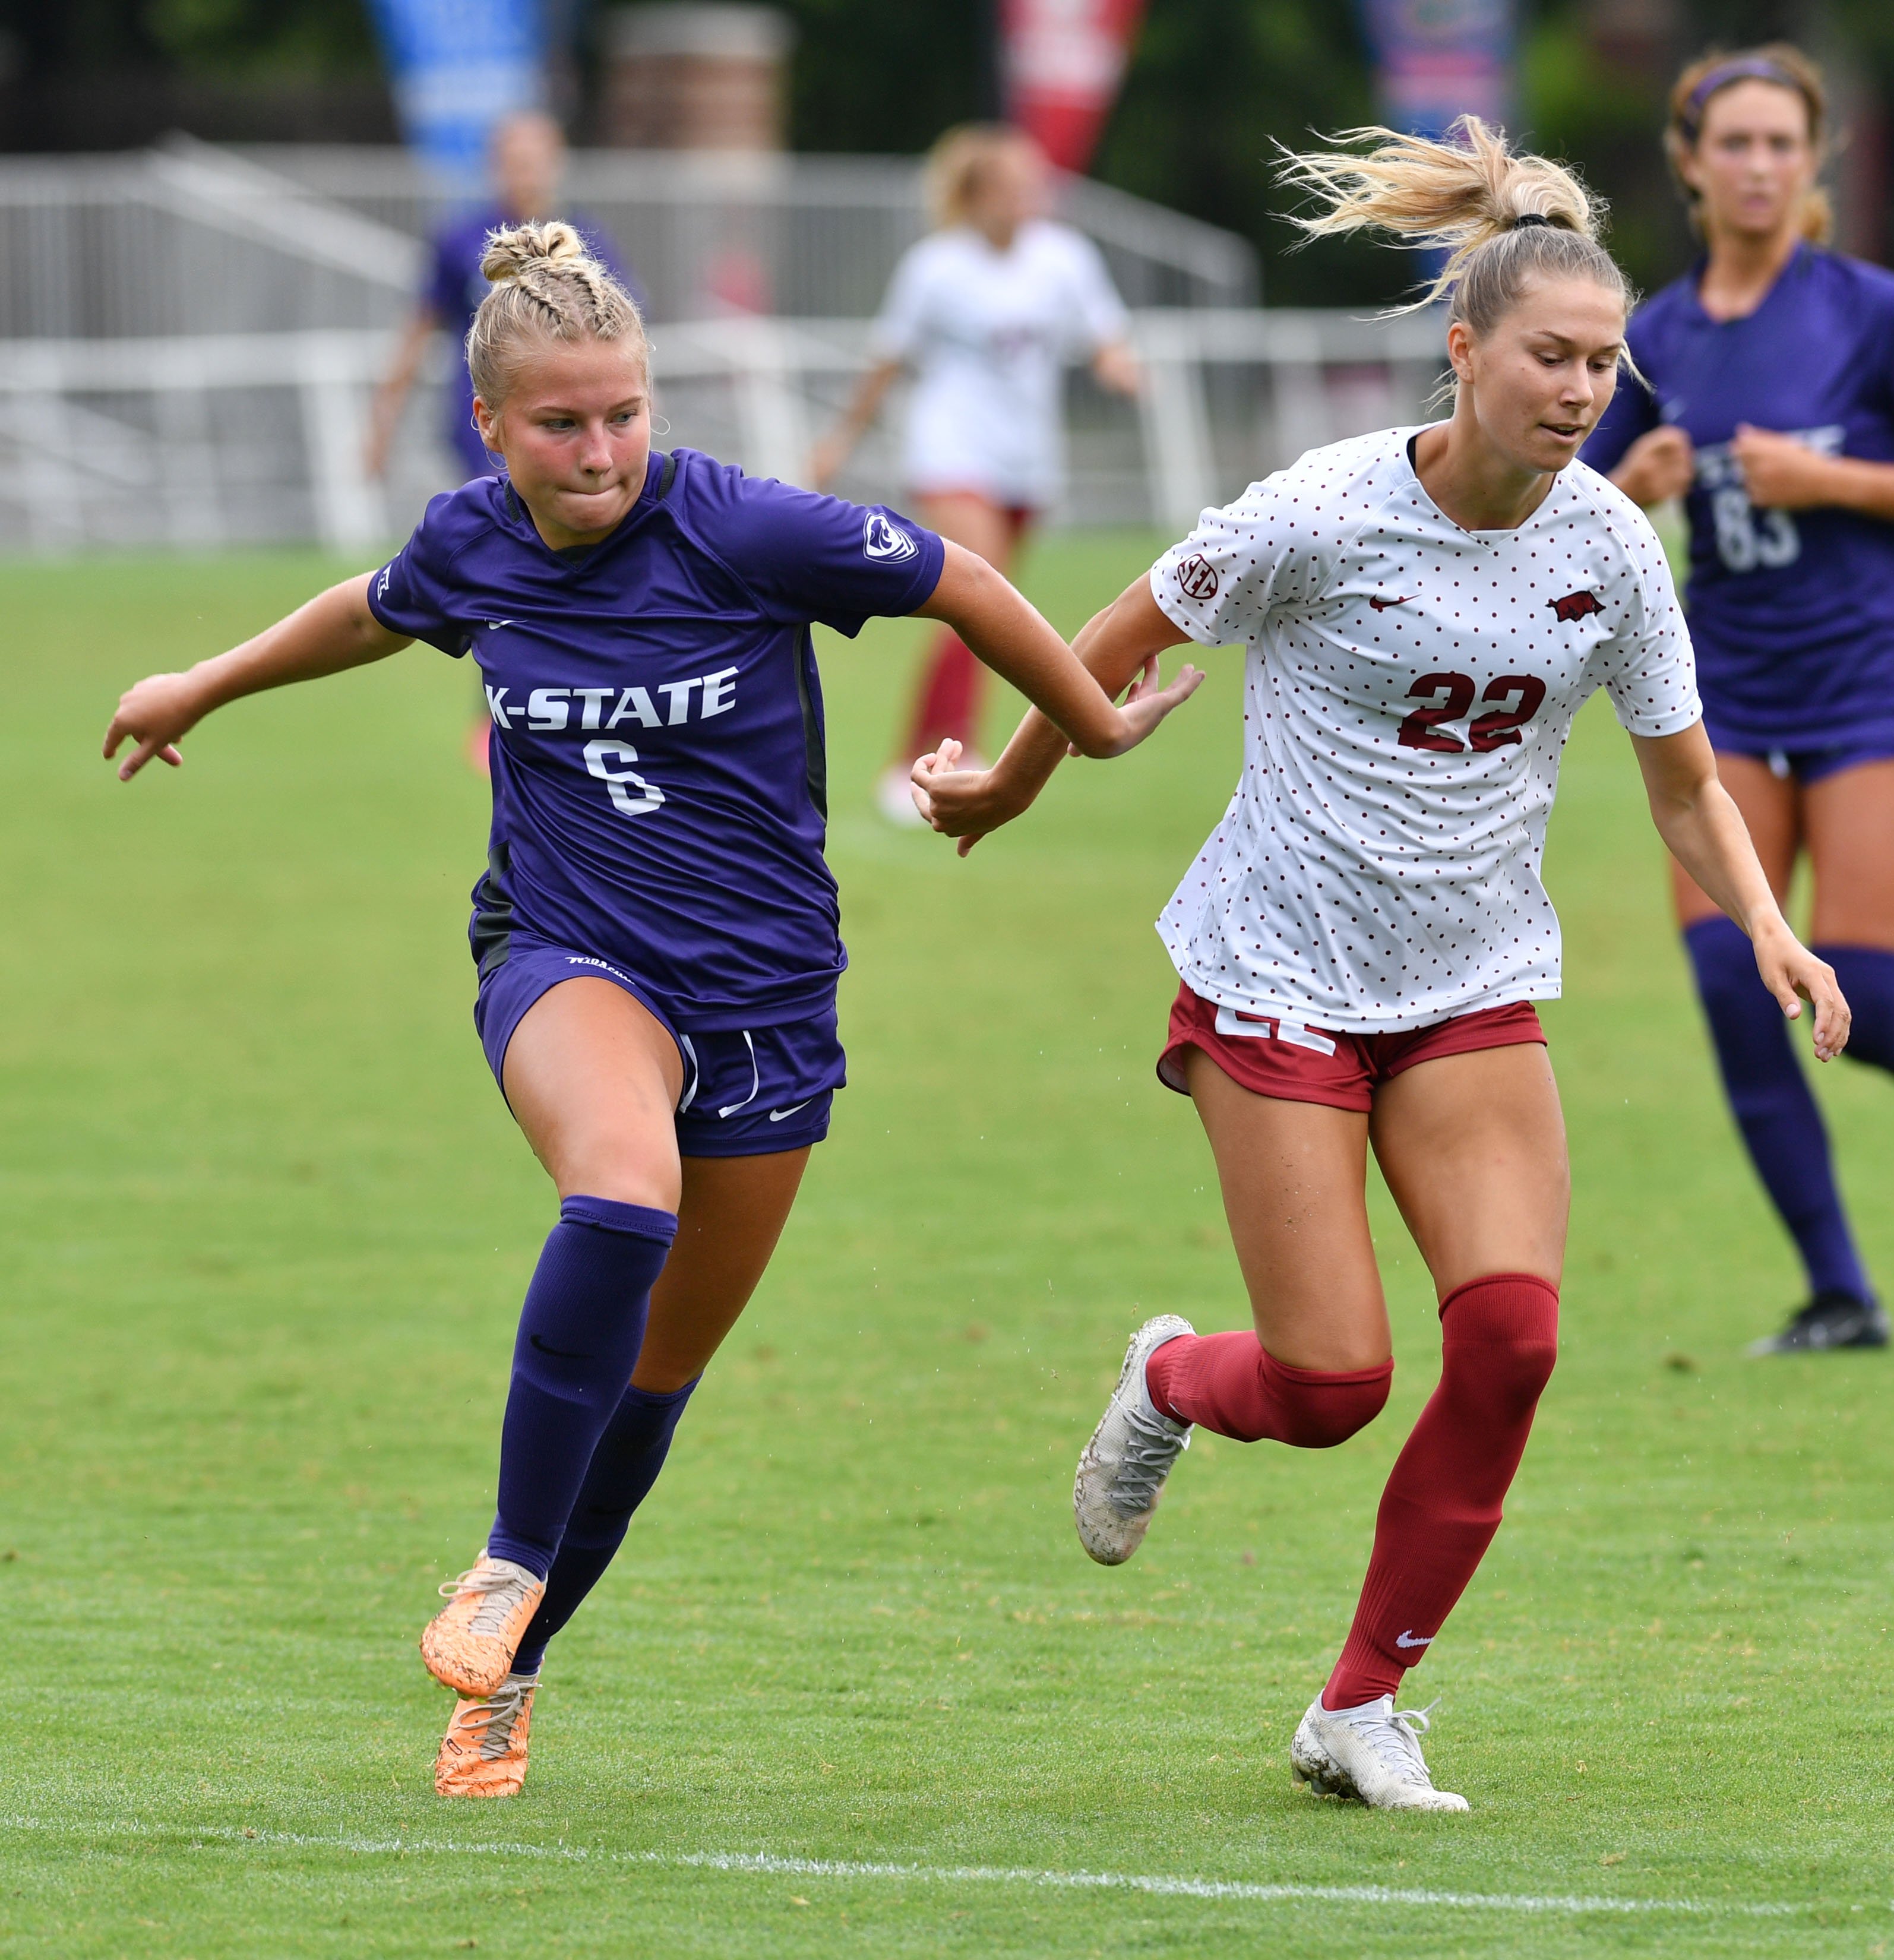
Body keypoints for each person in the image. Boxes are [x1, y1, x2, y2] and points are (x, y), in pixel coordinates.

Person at [101, 222, 1199, 1800]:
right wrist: (201, 680)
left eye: (623, 411)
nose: (601, 445)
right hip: (563, 956)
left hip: (764, 1002)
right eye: (561, 421)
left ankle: (513, 1667)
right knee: (619, 1189)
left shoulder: (746, 528)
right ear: (493, 427)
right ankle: (499, 1562)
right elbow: (376, 605)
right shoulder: (474, 540)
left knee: (649, 1388)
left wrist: (1080, 727)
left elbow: (955, 578)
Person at [912, 119, 1851, 1812]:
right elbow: (1111, 639)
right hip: (1275, 969)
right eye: (1548, 358)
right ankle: (1169, 1376)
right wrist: (1017, 775)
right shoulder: (1319, 511)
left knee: (1508, 1342)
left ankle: (1359, 1705)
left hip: (1471, 981)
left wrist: (1766, 923)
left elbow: (1682, 779)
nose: (1578, 392)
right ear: (1462, 348)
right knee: (1332, 1380)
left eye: (1601, 364)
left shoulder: (1606, 550)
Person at [1576, 45, 1894, 1358]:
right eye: (1731, 144)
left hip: (1872, 679)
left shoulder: (1868, 307)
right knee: (1735, 982)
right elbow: (1552, 527)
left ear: (1814, 161)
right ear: (1688, 163)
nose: (1756, 167)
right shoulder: (1653, 340)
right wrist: (1636, 490)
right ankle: (1838, 1292)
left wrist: (1835, 480)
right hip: (1722, 686)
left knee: (1867, 992)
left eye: (1779, 145)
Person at [807, 124, 1140, 825]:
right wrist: (839, 442)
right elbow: (888, 362)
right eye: (1015, 189)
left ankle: (941, 754)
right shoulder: (937, 267)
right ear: (979, 196)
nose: (1029, 201)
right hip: (951, 451)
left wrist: (1117, 365)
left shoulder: (1064, 259)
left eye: (1035, 188)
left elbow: (1103, 333)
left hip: (1027, 462)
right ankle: (920, 764)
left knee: (992, 619)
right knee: (975, 592)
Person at [363, 110, 631, 774]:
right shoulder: (461, 242)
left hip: (576, 440)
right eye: (515, 158)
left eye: (537, 157)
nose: (527, 171)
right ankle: (503, 711)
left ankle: (576, 699)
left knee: (583, 564)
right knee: (507, 563)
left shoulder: (585, 241)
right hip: (481, 434)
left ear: (557, 161)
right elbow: (419, 332)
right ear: (495, 165)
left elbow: (621, 343)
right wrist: (381, 423)